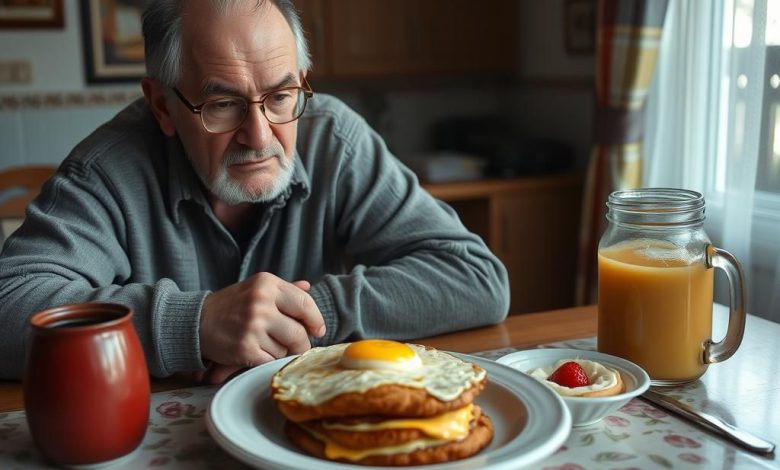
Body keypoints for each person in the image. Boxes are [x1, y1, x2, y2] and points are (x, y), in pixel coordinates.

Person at [0, 0, 509, 383]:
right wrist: (196, 324)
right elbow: (11, 307)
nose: (260, 136)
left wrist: (302, 318)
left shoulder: (334, 139)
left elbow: (476, 279)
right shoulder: (109, 170)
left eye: (281, 96)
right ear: (161, 105)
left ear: (302, 83)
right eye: (222, 104)